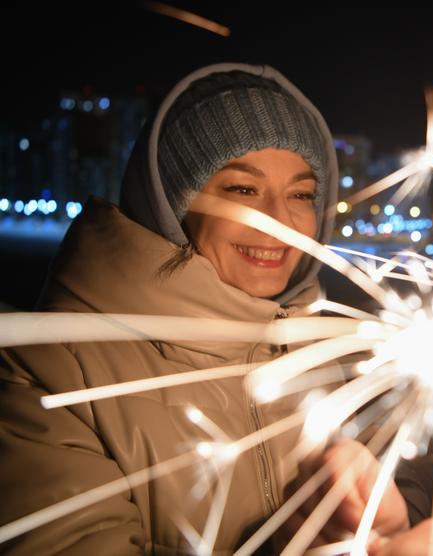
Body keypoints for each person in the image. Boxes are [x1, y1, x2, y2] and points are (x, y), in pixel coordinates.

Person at [0, 62, 374, 554]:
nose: (280, 222)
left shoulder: (331, 353)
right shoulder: (48, 373)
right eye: (243, 189)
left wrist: (404, 513)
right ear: (171, 205)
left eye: (301, 194)